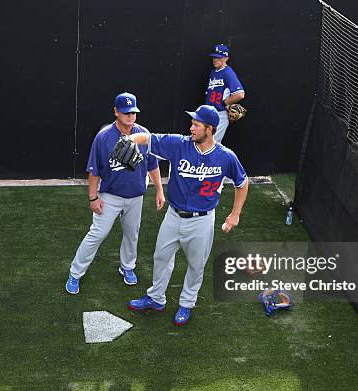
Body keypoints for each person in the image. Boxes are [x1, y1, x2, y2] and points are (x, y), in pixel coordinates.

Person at [125, 105, 249, 325]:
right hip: (173, 216)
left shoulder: (225, 156)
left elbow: (242, 182)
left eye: (196, 124)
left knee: (196, 265)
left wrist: (234, 215)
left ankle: (186, 304)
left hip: (202, 220)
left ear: (209, 129)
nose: (191, 128)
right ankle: (156, 298)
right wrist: (130, 140)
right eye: (192, 123)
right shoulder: (178, 144)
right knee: (161, 257)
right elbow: (149, 137)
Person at [65, 92, 165, 294]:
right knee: (97, 234)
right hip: (110, 196)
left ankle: (127, 267)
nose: (130, 116)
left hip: (136, 196)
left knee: (131, 235)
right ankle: (75, 273)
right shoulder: (103, 138)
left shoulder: (144, 134)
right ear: (116, 112)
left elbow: (153, 165)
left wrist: (159, 191)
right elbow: (94, 170)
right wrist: (93, 197)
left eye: (133, 112)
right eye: (126, 112)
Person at [205, 43, 245, 144]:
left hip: (220, 114)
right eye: (214, 57)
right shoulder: (213, 72)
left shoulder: (228, 72)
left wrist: (224, 103)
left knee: (210, 145)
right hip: (209, 113)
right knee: (203, 143)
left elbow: (240, 94)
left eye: (219, 57)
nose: (215, 60)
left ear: (226, 58)